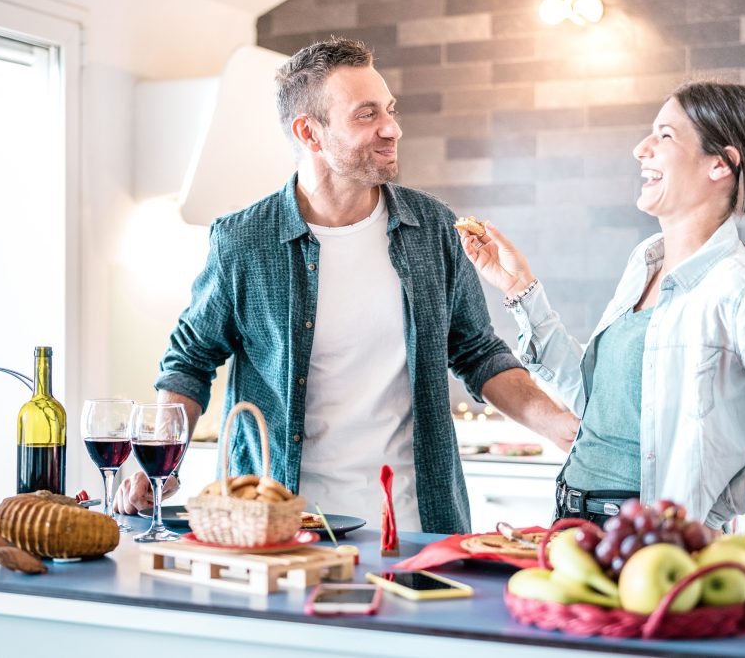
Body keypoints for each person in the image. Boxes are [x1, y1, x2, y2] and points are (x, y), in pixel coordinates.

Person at [114, 37, 578, 535]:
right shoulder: (244, 241)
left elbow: (477, 351)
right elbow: (190, 359)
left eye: (390, 110)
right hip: (278, 527)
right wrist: (158, 459)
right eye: (366, 114)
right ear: (309, 133)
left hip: (417, 523)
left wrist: (566, 431)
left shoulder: (433, 229)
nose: (392, 128)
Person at [460, 81, 745, 530]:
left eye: (666, 135)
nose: (641, 148)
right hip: (571, 525)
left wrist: (718, 502)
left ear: (720, 164)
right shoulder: (645, 265)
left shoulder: (740, 294)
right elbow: (598, 407)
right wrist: (522, 289)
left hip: (648, 545)